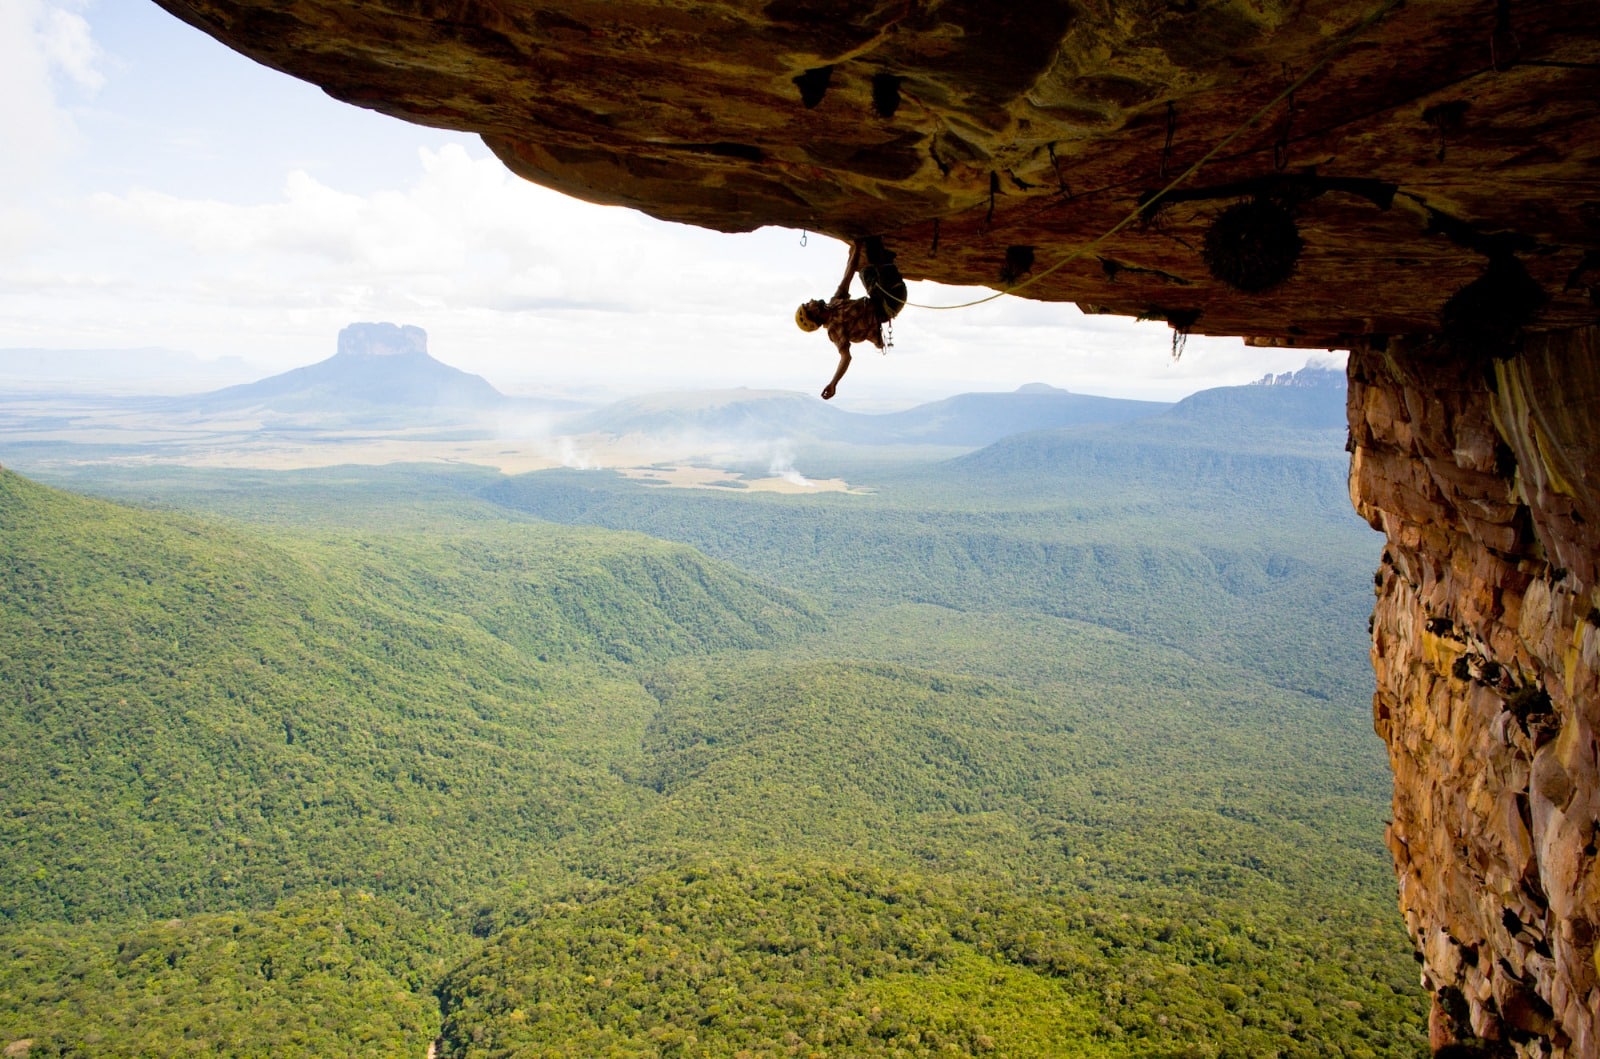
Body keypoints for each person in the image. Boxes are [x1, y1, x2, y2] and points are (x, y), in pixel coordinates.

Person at [795, 237, 907, 400]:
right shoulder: (834, 330)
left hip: (879, 297)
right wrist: (834, 383)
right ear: (814, 316)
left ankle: (884, 259)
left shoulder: (834, 302)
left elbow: (849, 272)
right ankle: (882, 254)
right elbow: (845, 357)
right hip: (890, 301)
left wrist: (856, 247)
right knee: (874, 251)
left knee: (864, 271)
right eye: (808, 305)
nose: (811, 301)